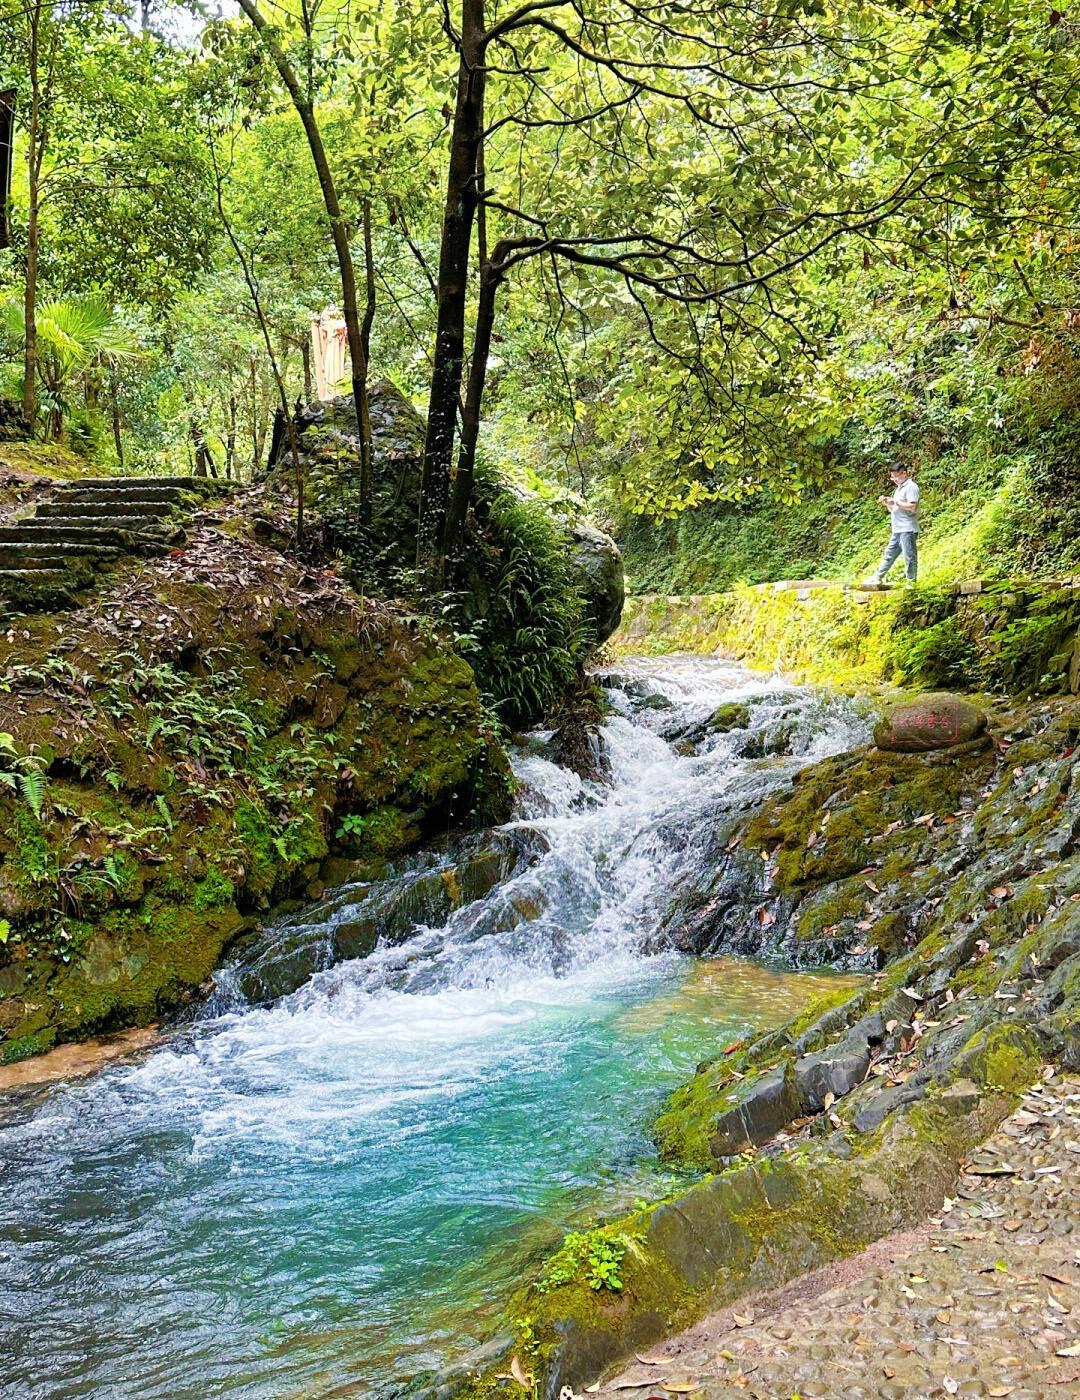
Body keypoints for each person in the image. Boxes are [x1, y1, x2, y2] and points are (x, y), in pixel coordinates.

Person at [866, 462, 920, 586]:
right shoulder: (898, 489)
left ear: (904, 473)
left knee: (909, 556)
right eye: (892, 478)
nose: (895, 480)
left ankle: (911, 582)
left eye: (896, 477)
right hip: (897, 529)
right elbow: (895, 509)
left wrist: (895, 502)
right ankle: (878, 577)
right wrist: (887, 503)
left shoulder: (911, 487)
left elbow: (912, 506)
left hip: (908, 529)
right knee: (889, 554)